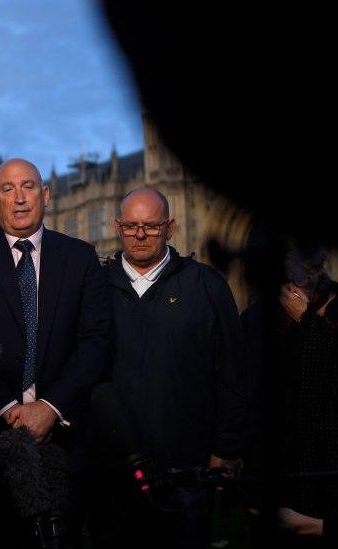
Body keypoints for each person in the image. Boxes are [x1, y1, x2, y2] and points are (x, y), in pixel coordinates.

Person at [0, 158, 110, 547]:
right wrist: (5, 408)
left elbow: (96, 340)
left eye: (28, 186)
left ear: (46, 195)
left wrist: (51, 406)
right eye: (8, 190)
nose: (19, 199)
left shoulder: (80, 257)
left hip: (64, 442)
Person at [89, 187, 248, 548]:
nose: (140, 235)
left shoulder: (205, 285)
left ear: (171, 227)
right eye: (131, 226)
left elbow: (233, 373)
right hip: (114, 472)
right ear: (117, 227)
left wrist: (226, 448)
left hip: (187, 470)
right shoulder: (95, 287)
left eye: (152, 226)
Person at [242, 242, 338, 521]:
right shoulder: (259, 318)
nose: (300, 284)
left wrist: (307, 322)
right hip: (282, 458)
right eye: (292, 276)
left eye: (309, 273)